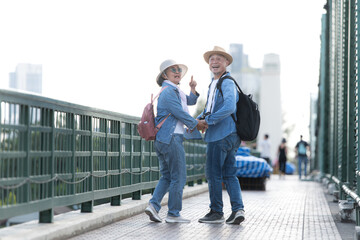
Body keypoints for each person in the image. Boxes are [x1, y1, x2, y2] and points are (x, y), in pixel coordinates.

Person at [145, 59, 207, 223]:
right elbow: (179, 112)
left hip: (164, 138)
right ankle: (173, 213)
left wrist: (193, 89)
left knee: (167, 176)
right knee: (178, 176)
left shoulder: (173, 91)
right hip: (171, 138)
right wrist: (196, 123)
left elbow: (189, 101)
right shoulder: (168, 92)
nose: (177, 71)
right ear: (165, 74)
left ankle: (153, 205)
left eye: (179, 69)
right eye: (173, 69)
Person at [197, 46, 245, 225]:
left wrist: (208, 122)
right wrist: (195, 121)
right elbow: (208, 110)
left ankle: (216, 212)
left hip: (221, 135)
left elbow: (229, 107)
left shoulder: (226, 82)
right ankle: (238, 210)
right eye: (211, 59)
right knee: (230, 174)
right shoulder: (214, 83)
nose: (214, 62)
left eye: (219, 58)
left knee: (213, 173)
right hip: (230, 135)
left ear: (226, 62)